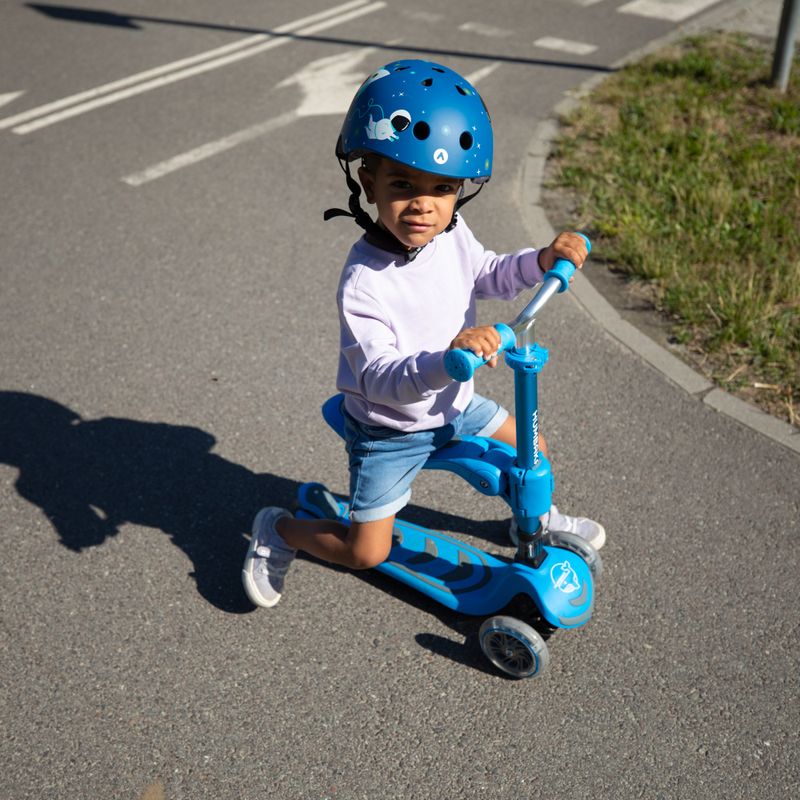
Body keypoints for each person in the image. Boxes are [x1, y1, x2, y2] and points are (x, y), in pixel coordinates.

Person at [243, 59, 604, 608]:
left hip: (458, 404)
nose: (423, 204)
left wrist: (542, 260)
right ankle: (280, 532)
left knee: (532, 448)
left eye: (441, 188)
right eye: (403, 184)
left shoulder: (451, 233)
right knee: (365, 551)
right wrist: (448, 358)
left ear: (460, 191)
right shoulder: (364, 283)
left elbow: (488, 273)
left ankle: (534, 527)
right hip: (389, 429)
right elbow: (379, 378)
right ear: (368, 182)